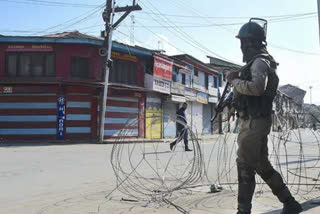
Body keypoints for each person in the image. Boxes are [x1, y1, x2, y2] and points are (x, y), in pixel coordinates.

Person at [226, 18, 302, 214]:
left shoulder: (260, 62)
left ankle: (243, 211)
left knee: (244, 165)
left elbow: (257, 88)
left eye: (243, 41)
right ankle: (290, 203)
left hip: (254, 123)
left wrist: (234, 81)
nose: (241, 46)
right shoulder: (258, 61)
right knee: (260, 164)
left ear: (251, 42)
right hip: (253, 121)